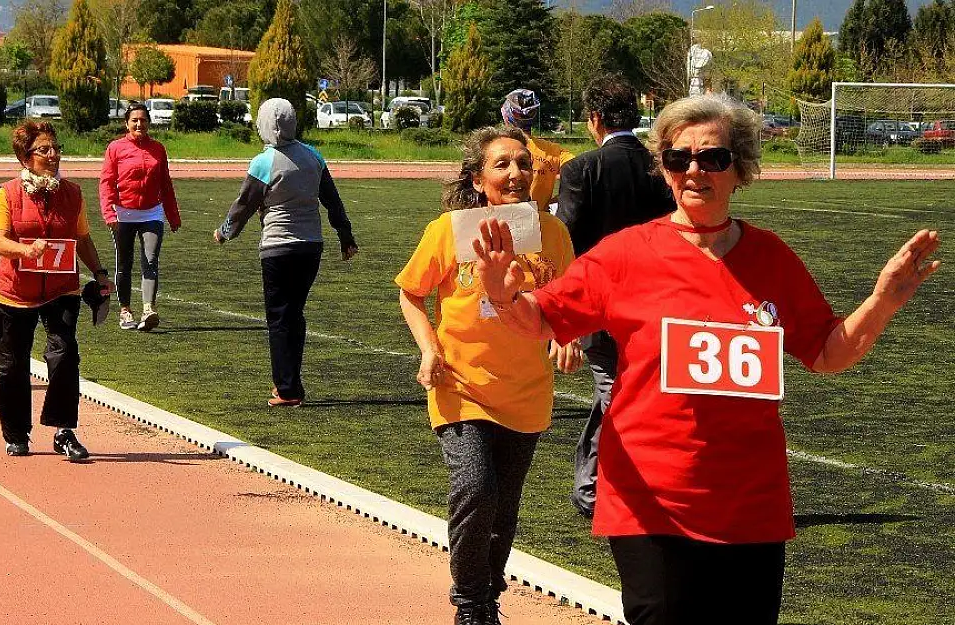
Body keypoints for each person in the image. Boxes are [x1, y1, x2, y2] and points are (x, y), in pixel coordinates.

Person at [473, 94, 940, 625]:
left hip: (751, 503)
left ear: (739, 169)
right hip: (649, 498)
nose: (695, 170)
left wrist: (882, 303)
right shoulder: (625, 253)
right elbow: (538, 319)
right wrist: (501, 295)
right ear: (665, 170)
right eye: (679, 159)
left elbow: (829, 352)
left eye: (713, 158)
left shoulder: (771, 258)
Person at [396, 126, 579, 625]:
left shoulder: (554, 235)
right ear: (479, 180)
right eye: (502, 164)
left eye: (524, 163)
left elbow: (565, 303)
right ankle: (471, 604)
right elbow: (411, 294)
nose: (516, 173)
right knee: (477, 489)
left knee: (503, 508)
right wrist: (429, 349)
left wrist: (565, 335)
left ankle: (486, 596)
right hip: (461, 384)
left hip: (527, 393)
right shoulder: (450, 231)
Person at [557, 75, 676, 518]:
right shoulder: (662, 168)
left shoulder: (581, 169)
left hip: (600, 306)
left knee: (616, 397)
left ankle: (599, 491)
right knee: (621, 394)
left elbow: (565, 243)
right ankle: (590, 487)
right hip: (657, 305)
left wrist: (563, 317)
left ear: (594, 119)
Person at [214, 98, 357, 407]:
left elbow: (244, 205)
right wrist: (345, 236)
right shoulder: (313, 157)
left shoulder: (263, 162)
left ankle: (287, 388)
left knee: (279, 317)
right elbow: (333, 200)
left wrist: (225, 232)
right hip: (310, 247)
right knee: (294, 314)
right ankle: (292, 381)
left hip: (278, 247)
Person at [0, 120, 114, 460]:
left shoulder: (72, 193)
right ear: (25, 157)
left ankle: (63, 430)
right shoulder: (8, 193)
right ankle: (16, 433)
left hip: (62, 288)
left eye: (56, 148)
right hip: (14, 291)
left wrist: (100, 274)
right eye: (44, 150)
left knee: (65, 355)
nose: (53, 155)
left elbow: (82, 238)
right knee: (11, 365)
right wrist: (24, 251)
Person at [99, 102, 181, 331]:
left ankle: (148, 309)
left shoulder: (158, 149)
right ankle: (125, 311)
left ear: (148, 123)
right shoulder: (115, 148)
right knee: (124, 265)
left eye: (143, 120)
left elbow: (166, 184)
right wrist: (109, 213)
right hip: (122, 214)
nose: (139, 124)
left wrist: (173, 216)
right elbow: (106, 183)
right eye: (134, 120)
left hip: (151, 214)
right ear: (127, 123)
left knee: (151, 261)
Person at [500, 89, 573, 212]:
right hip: (539, 221)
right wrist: (553, 201)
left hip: (501, 220)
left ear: (507, 116)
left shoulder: (494, 148)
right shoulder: (553, 151)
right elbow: (581, 173)